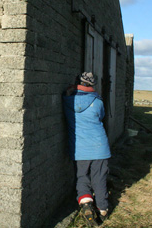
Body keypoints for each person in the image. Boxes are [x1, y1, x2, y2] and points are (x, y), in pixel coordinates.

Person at [62, 72, 111, 226]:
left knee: (82, 176)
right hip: (100, 146)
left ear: (78, 82)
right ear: (92, 85)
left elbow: (67, 95)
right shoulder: (98, 102)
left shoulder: (67, 101)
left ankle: (86, 202)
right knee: (99, 177)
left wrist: (69, 90)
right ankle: (102, 209)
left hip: (80, 148)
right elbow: (101, 116)